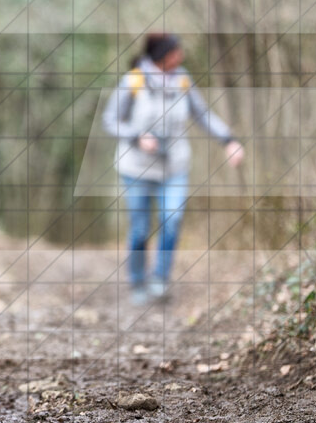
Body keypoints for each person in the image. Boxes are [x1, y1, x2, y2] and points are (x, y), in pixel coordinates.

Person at [102, 33, 244, 305]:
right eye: (177, 52)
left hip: (175, 166)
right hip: (137, 169)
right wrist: (136, 136)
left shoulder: (182, 80)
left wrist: (229, 140)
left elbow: (202, 115)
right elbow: (110, 120)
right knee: (140, 229)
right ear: (162, 56)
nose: (181, 56)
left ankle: (160, 279)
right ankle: (137, 282)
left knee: (172, 220)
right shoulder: (133, 81)